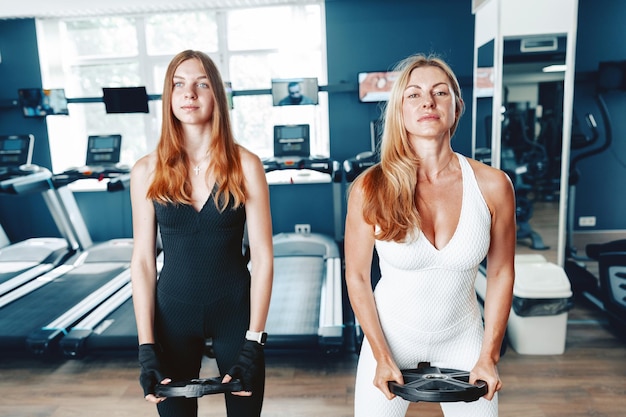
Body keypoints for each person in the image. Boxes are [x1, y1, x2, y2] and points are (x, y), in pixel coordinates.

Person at [344, 53, 516, 417]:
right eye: (414, 94)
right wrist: (380, 354)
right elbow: (357, 275)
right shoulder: (370, 187)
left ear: (456, 107)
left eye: (440, 93)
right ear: (400, 110)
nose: (428, 102)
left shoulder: (493, 185)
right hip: (391, 338)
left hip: (464, 338)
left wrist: (489, 355)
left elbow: (501, 273)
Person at [130, 49, 274, 417]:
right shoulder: (146, 170)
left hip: (235, 314)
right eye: (178, 84)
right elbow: (144, 261)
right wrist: (146, 346)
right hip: (172, 316)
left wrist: (254, 341)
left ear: (216, 96)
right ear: (169, 96)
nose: (188, 93)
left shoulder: (246, 165)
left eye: (201, 84)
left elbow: (263, 257)